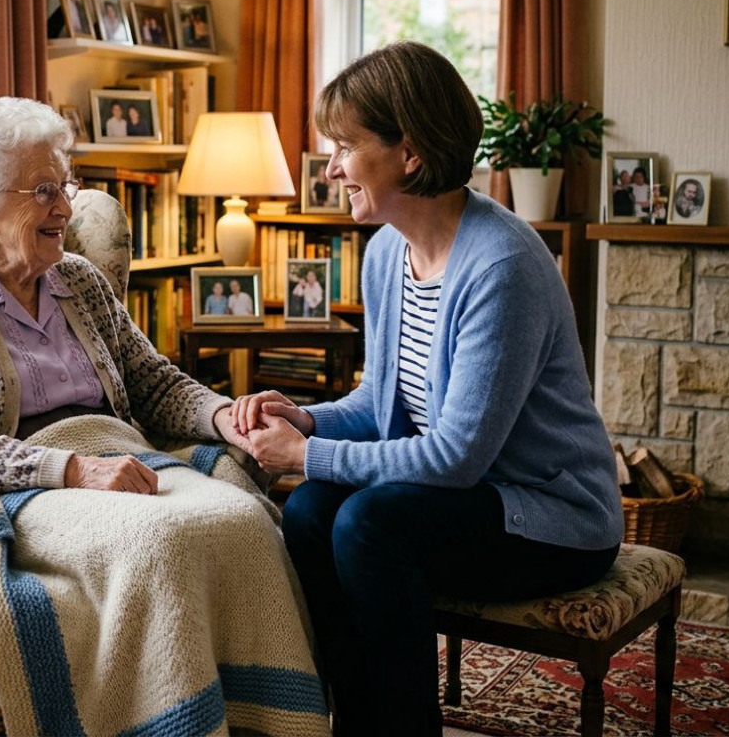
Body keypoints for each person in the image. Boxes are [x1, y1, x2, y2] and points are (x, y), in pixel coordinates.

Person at [0, 96, 326, 736]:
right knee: (157, 542)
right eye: (43, 191)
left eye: (64, 185)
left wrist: (222, 415)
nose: (65, 208)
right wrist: (72, 470)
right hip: (33, 488)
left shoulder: (81, 281)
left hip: (124, 455)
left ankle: (267, 720)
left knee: (244, 518)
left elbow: (150, 379)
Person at [229, 42, 623, 736]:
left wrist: (303, 456)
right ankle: (355, 721)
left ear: (408, 153)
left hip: (553, 517)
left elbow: (454, 456)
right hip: (469, 502)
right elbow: (381, 402)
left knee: (368, 522)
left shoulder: (500, 265)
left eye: (345, 147)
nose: (331, 168)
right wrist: (309, 421)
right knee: (313, 511)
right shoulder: (388, 252)